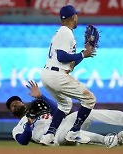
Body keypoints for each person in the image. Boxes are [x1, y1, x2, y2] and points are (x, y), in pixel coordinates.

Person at [6, 80, 123, 147]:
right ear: (11, 112)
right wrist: (29, 123)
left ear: (23, 103)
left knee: (89, 112)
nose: (16, 104)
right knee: (68, 134)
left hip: (63, 123)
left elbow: (59, 111)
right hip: (55, 138)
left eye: (17, 102)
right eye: (12, 105)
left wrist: (41, 97)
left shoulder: (37, 110)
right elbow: (23, 141)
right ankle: (108, 140)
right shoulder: (17, 128)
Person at [40, 4, 98, 145]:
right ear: (73, 17)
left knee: (65, 105)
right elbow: (61, 57)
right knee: (90, 99)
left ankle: (48, 135)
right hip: (56, 75)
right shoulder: (66, 32)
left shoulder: (62, 32)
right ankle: (74, 132)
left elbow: (69, 64)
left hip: (49, 74)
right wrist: (82, 53)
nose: (77, 17)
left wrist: (84, 54)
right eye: (76, 15)